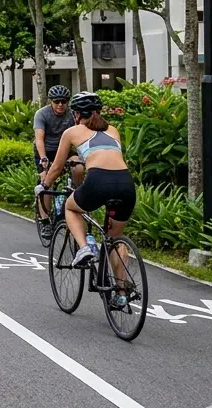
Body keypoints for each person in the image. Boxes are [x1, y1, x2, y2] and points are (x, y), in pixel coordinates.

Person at [37, 92, 137, 306]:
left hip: (99, 180)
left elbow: (55, 167)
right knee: (113, 241)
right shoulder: (113, 130)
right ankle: (121, 294)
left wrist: (43, 186)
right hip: (126, 184)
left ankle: (84, 248)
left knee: (71, 208)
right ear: (99, 112)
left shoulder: (72, 131)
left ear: (75, 114)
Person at [33, 85, 77, 244]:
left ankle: (75, 200)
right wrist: (43, 158)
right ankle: (45, 220)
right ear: (50, 102)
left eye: (64, 102)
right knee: (47, 182)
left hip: (64, 150)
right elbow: (39, 138)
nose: (60, 105)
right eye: (57, 101)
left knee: (78, 167)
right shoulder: (42, 114)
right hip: (46, 150)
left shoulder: (72, 115)